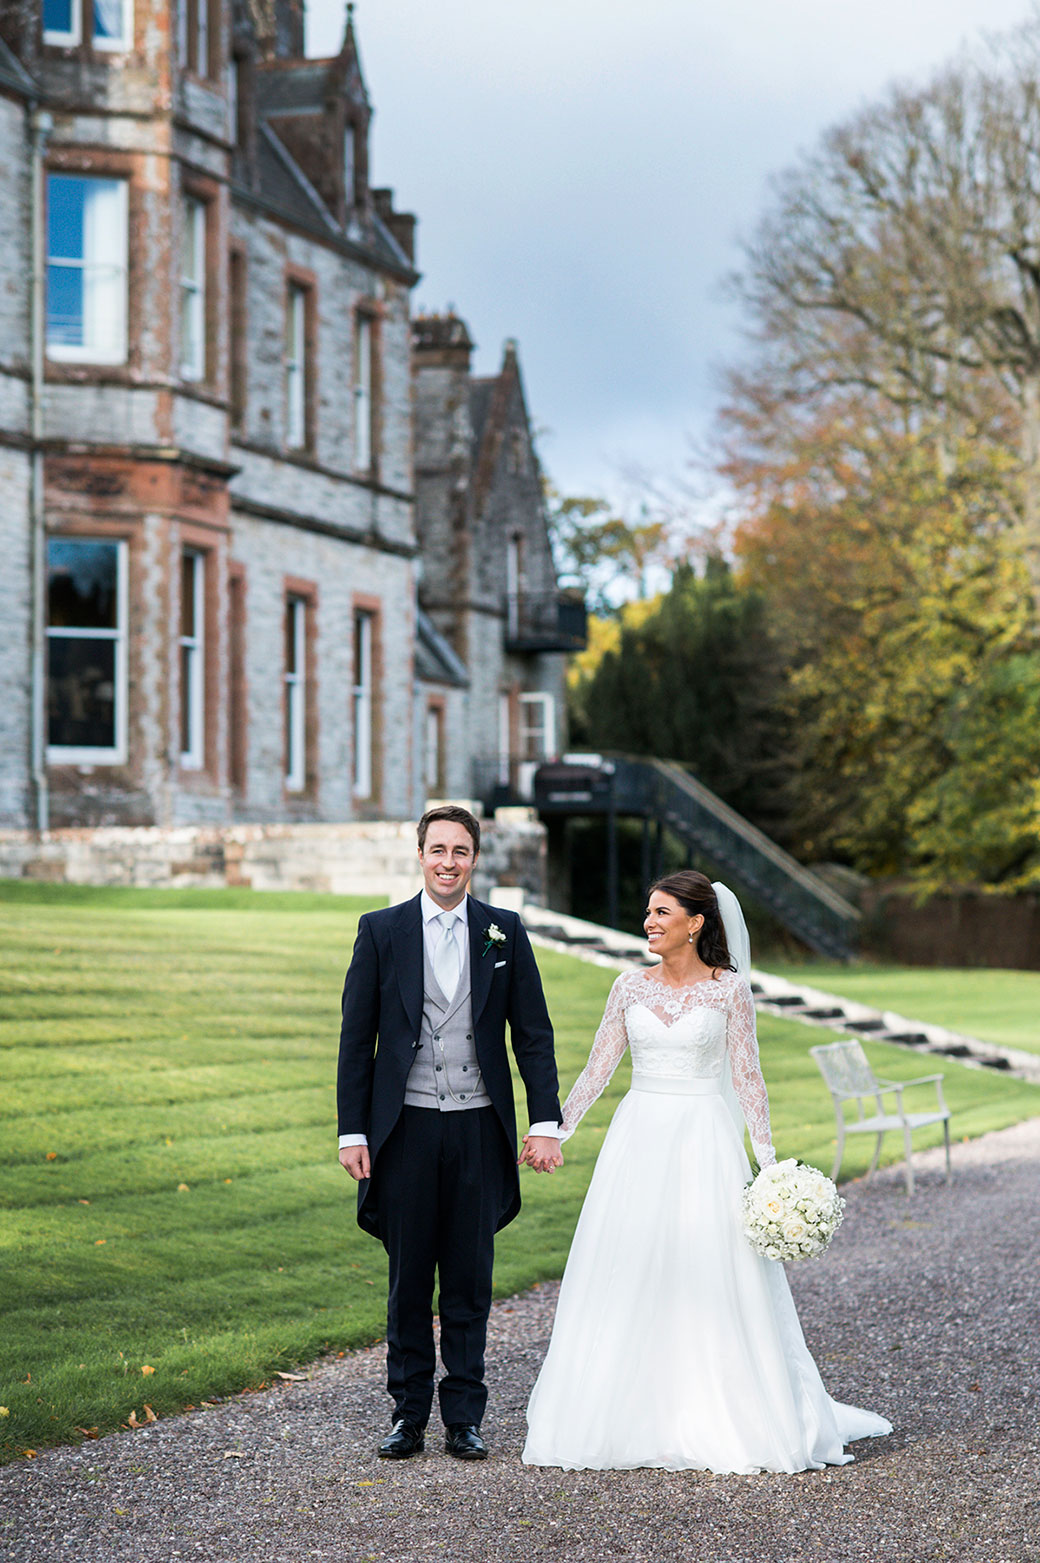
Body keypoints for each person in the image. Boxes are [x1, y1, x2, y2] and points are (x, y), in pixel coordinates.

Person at [522, 870, 892, 1474]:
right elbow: (598, 1070)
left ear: (695, 923)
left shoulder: (728, 992)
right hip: (639, 1137)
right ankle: (622, 1413)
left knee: (710, 1266)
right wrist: (554, 1131)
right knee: (632, 1263)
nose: (649, 922)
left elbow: (748, 1078)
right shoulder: (627, 987)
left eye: (663, 913)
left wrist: (770, 1166)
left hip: (704, 1140)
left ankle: (717, 1412)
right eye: (648, 912)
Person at [337, 804, 563, 1462]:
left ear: (474, 858)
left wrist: (543, 1120)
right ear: (420, 854)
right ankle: (408, 1414)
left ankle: (463, 1414)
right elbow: (357, 1042)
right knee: (409, 1280)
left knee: (468, 1279)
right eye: (438, 848)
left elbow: (534, 1035)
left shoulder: (504, 931)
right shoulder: (380, 931)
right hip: (402, 1132)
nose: (448, 861)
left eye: (460, 850)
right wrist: (353, 1130)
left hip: (476, 1130)